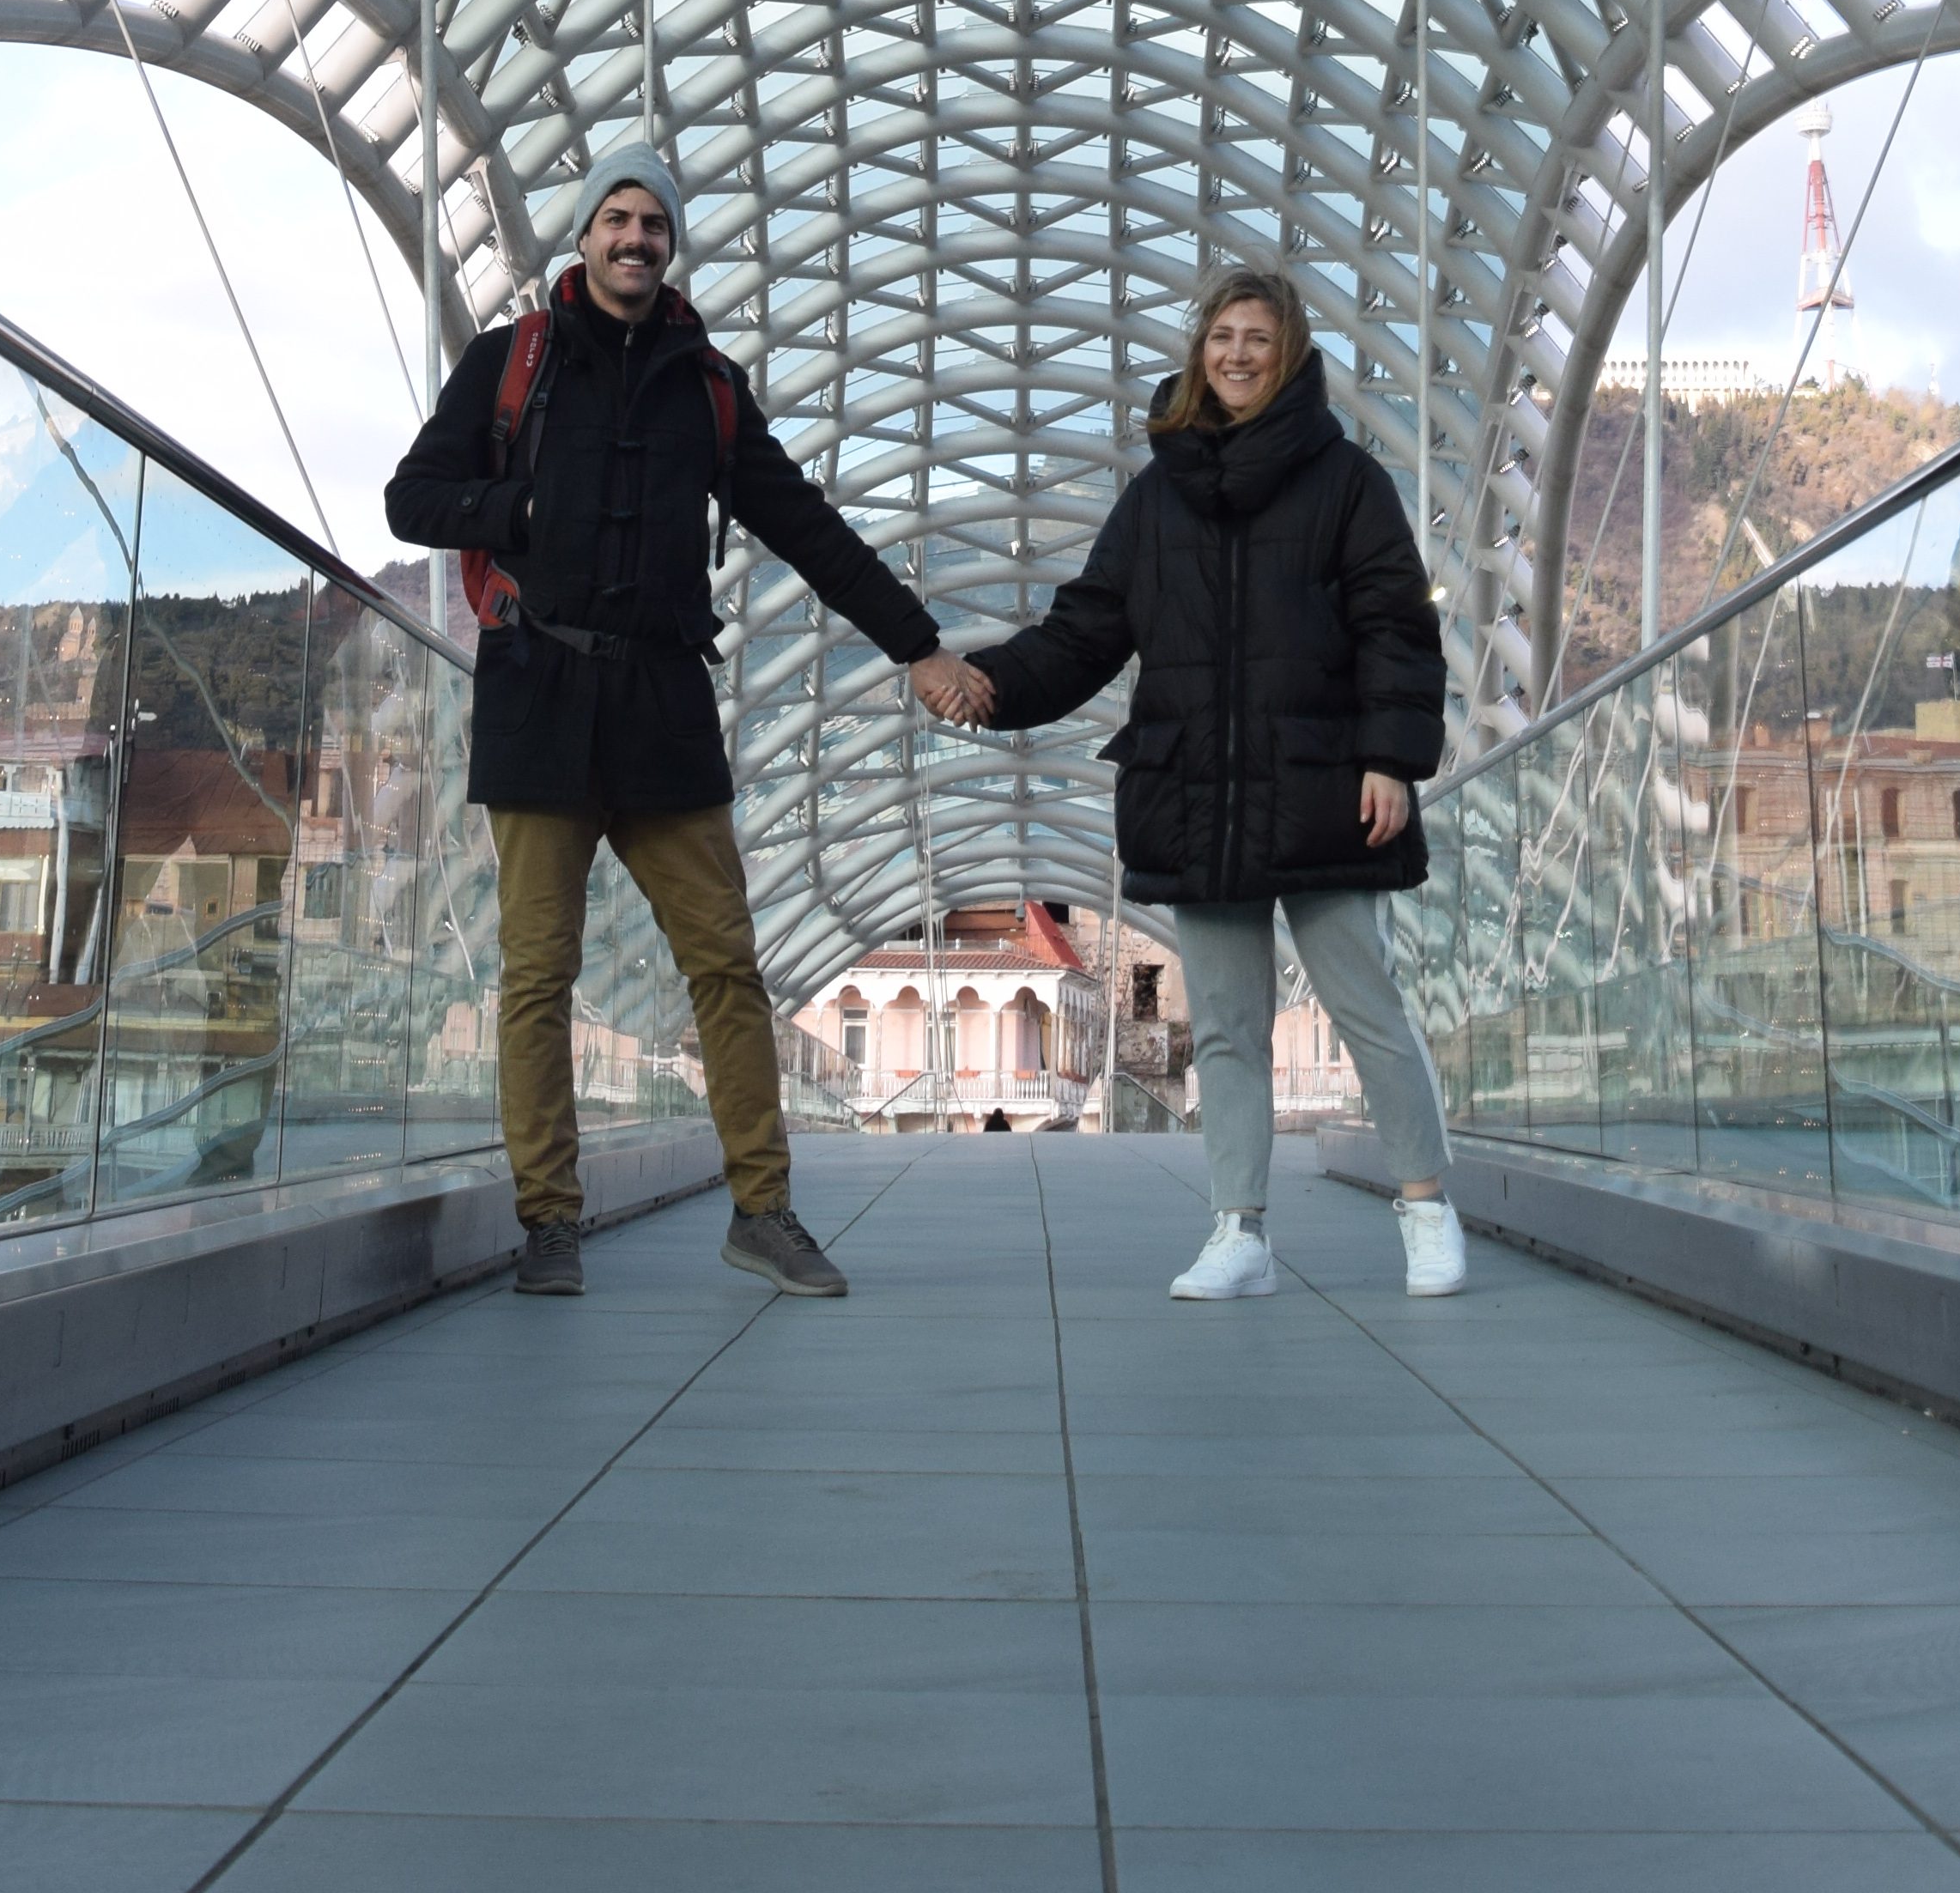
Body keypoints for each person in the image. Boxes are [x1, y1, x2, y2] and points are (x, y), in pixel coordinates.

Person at [385, 143, 984, 1295]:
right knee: (536, 975)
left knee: (726, 963)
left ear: (670, 245)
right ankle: (548, 1223)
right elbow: (411, 499)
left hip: (662, 706)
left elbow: (806, 527)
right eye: (617, 219)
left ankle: (763, 1209)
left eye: (652, 224)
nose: (634, 239)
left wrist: (916, 646)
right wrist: (520, 509)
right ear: (584, 237)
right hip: (539, 698)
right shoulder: (510, 363)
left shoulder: (705, 386)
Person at [941, 261, 1464, 1300]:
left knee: (1367, 1005)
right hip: (1199, 796)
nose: (1237, 355)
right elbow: (1086, 632)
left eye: (1257, 339)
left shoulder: (1345, 482)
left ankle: (1425, 1206)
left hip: (1323, 788)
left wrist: (1391, 759)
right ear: (1199, 352)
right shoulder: (1158, 497)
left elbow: (1396, 628)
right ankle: (1239, 1232)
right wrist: (985, 686)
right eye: (1223, 337)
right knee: (1224, 1026)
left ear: (1290, 353)